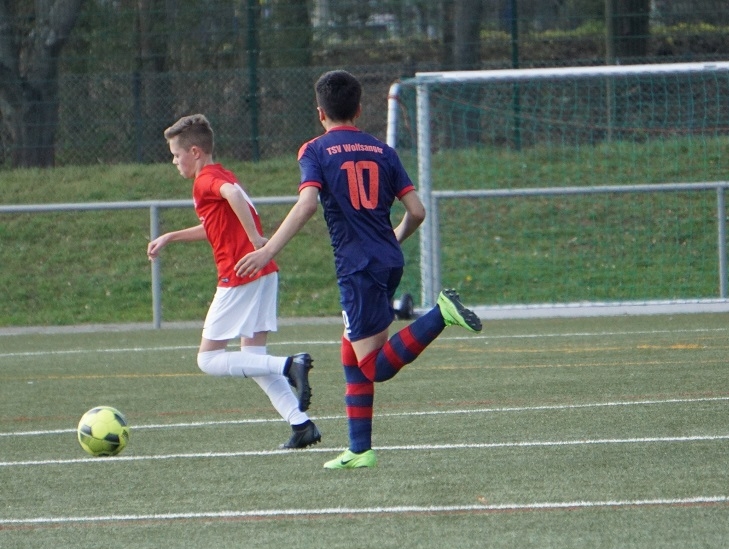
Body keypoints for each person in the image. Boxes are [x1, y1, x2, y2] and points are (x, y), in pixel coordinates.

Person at [235, 70, 482, 470]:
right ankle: (359, 449)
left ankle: (441, 314)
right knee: (350, 352)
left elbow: (308, 204)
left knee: (374, 366)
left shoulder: (314, 149)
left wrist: (267, 251)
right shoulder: (383, 151)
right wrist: (391, 240)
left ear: (320, 113)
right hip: (387, 260)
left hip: (358, 268)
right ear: (359, 109)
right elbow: (417, 211)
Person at [148, 114, 319, 450]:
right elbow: (216, 224)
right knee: (252, 357)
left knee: (208, 360)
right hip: (262, 272)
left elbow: (233, 198)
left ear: (194, 152)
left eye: (176, 154)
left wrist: (256, 240)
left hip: (240, 274)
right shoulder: (222, 173)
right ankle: (301, 426)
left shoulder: (206, 180)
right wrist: (170, 236)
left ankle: (290, 365)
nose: (174, 161)